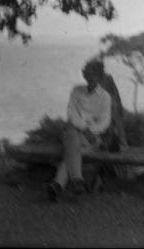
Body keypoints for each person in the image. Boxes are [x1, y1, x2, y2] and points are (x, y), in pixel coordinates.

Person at [46, 60, 112, 201]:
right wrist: (84, 128)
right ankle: (77, 179)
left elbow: (104, 122)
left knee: (71, 151)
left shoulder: (105, 97)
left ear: (100, 77)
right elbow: (71, 113)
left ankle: (57, 184)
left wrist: (90, 131)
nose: (90, 77)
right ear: (84, 75)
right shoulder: (77, 91)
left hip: (92, 138)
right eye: (87, 74)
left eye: (94, 75)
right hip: (75, 132)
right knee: (72, 137)